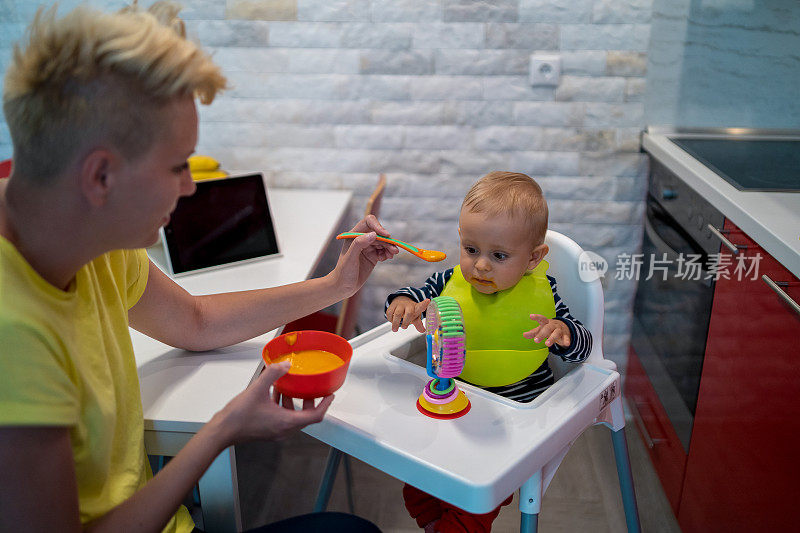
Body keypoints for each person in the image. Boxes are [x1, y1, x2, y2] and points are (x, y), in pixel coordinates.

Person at [0, 3, 396, 532]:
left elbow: (195, 322)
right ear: (100, 177)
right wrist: (222, 429)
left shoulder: (92, 236)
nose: (190, 186)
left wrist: (334, 284)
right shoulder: (14, 335)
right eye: (177, 165)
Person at [384, 171, 593, 533]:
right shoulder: (449, 281)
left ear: (532, 258)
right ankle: (434, 521)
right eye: (471, 249)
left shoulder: (545, 294)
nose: (480, 265)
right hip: (455, 402)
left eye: (498, 255)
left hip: (513, 423)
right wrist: (404, 303)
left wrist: (565, 333)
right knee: (416, 488)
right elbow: (415, 295)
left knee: (475, 500)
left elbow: (584, 351)